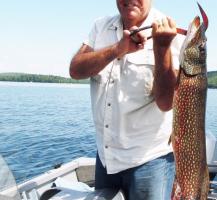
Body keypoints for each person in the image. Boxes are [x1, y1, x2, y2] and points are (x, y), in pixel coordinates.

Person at [69, 0, 184, 199]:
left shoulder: (171, 33)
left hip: (149, 160)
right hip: (106, 159)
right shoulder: (100, 26)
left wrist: (162, 47)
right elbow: (75, 70)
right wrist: (117, 50)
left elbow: (165, 103)